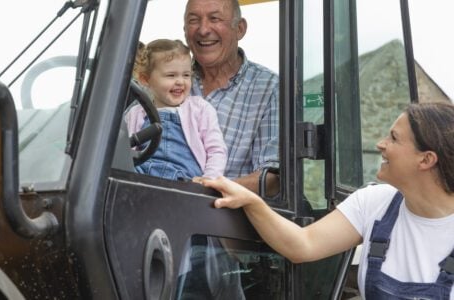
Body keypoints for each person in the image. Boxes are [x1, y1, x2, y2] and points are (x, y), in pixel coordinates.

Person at [202, 102, 454, 299]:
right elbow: (303, 245)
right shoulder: (374, 203)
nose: (381, 144)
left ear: (426, 160)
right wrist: (251, 201)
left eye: (394, 139)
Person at [184, 0, 279, 192]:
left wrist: (204, 191)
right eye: (194, 20)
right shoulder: (166, 81)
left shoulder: (269, 88)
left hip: (228, 216)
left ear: (240, 29)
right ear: (184, 29)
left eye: (215, 18)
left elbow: (272, 179)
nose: (203, 30)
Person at [125, 39, 227, 181]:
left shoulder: (200, 109)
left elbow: (216, 150)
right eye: (171, 75)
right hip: (142, 175)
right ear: (145, 79)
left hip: (185, 178)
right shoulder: (135, 113)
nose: (180, 81)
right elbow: (126, 150)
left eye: (186, 75)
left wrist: (209, 179)